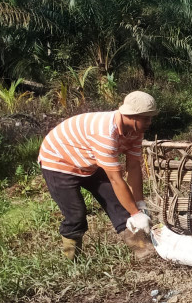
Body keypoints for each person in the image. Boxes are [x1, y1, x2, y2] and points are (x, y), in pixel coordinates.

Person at [38, 91, 158, 260]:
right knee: (76, 214)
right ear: (130, 115)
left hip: (88, 161)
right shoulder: (105, 133)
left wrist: (138, 205)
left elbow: (133, 166)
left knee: (121, 205)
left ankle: (141, 247)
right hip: (59, 161)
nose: (149, 122)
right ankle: (72, 259)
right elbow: (116, 179)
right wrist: (136, 214)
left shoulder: (136, 130)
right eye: (146, 118)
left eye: (151, 118)